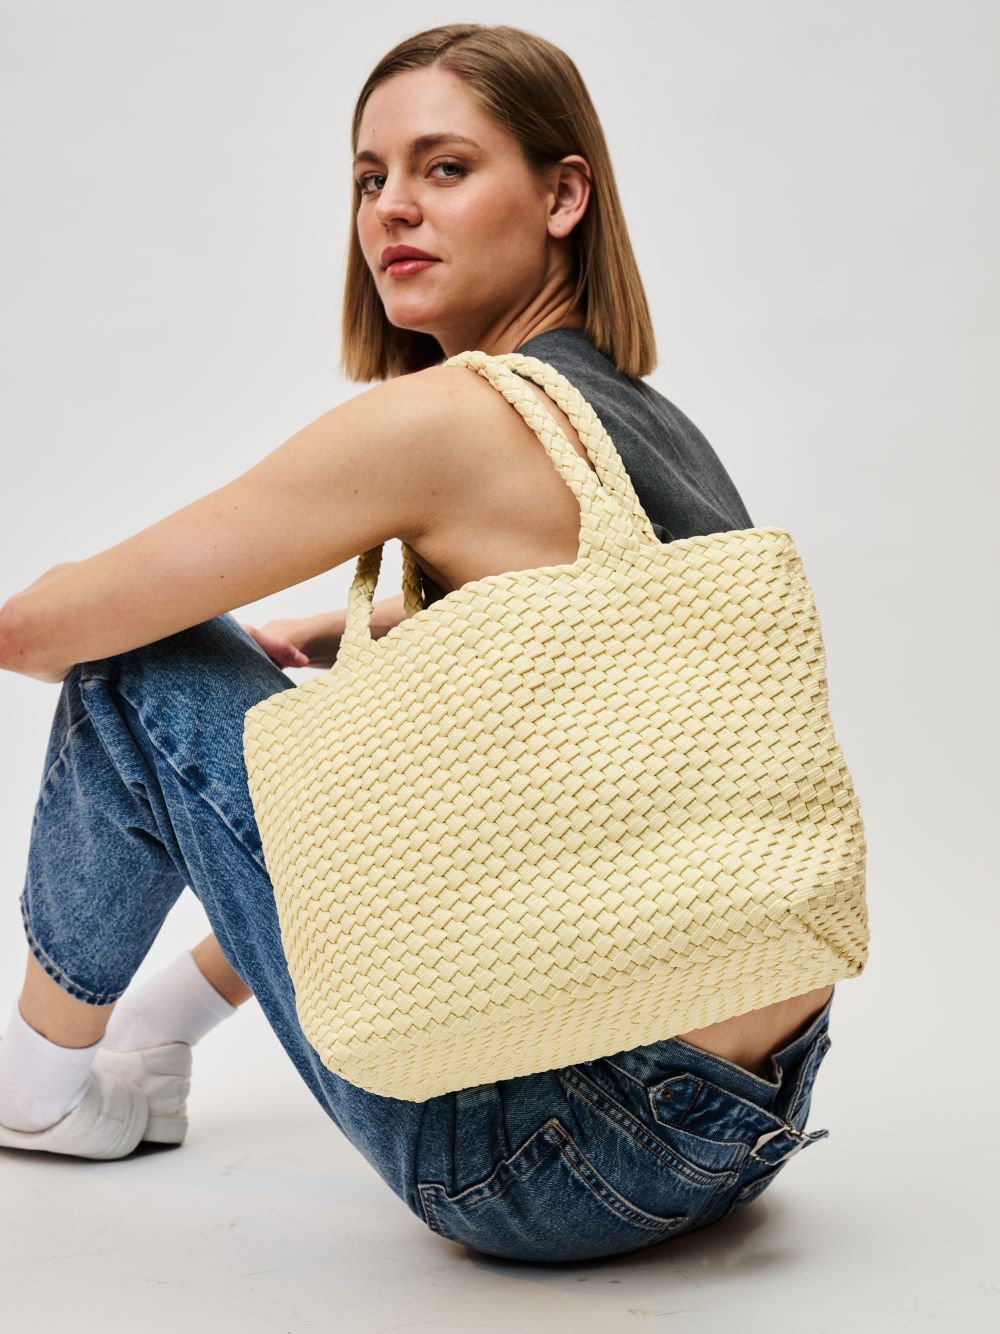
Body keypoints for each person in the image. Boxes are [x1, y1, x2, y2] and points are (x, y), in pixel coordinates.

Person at [0, 23, 837, 1262]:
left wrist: (150, 617)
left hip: (547, 1163)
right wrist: (378, 629)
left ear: (563, 194)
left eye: (444, 168)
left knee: (145, 666)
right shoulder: (635, 423)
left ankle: (36, 1080)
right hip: (741, 1125)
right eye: (368, 177)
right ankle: (157, 1033)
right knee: (382, 753)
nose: (393, 206)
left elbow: (39, 632)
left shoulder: (440, 420)